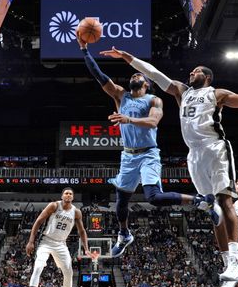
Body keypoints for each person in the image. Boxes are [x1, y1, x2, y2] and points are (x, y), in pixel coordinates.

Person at [99, 47, 238, 282]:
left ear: (208, 77)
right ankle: (228, 265)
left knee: (225, 201)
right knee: (212, 207)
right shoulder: (181, 92)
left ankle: (235, 259)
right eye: (191, 71)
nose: (191, 73)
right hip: (194, 154)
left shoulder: (217, 94)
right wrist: (127, 57)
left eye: (196, 71)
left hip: (215, 148)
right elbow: (152, 73)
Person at [79, 34, 212, 257]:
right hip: (128, 156)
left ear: (147, 84)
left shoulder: (153, 100)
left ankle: (198, 200)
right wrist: (84, 50)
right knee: (120, 203)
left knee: (154, 198)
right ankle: (124, 235)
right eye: (133, 74)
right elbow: (98, 75)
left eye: (139, 74)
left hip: (149, 154)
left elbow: (153, 121)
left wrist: (128, 120)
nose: (135, 75)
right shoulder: (121, 95)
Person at [18, 188, 90, 287]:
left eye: (71, 194)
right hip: (46, 241)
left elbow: (82, 231)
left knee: (68, 271)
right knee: (38, 266)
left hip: (61, 244)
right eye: (66, 193)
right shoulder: (54, 206)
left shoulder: (76, 212)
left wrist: (86, 248)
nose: (68, 195)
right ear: (62, 196)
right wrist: (30, 241)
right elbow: (38, 221)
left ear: (73, 197)